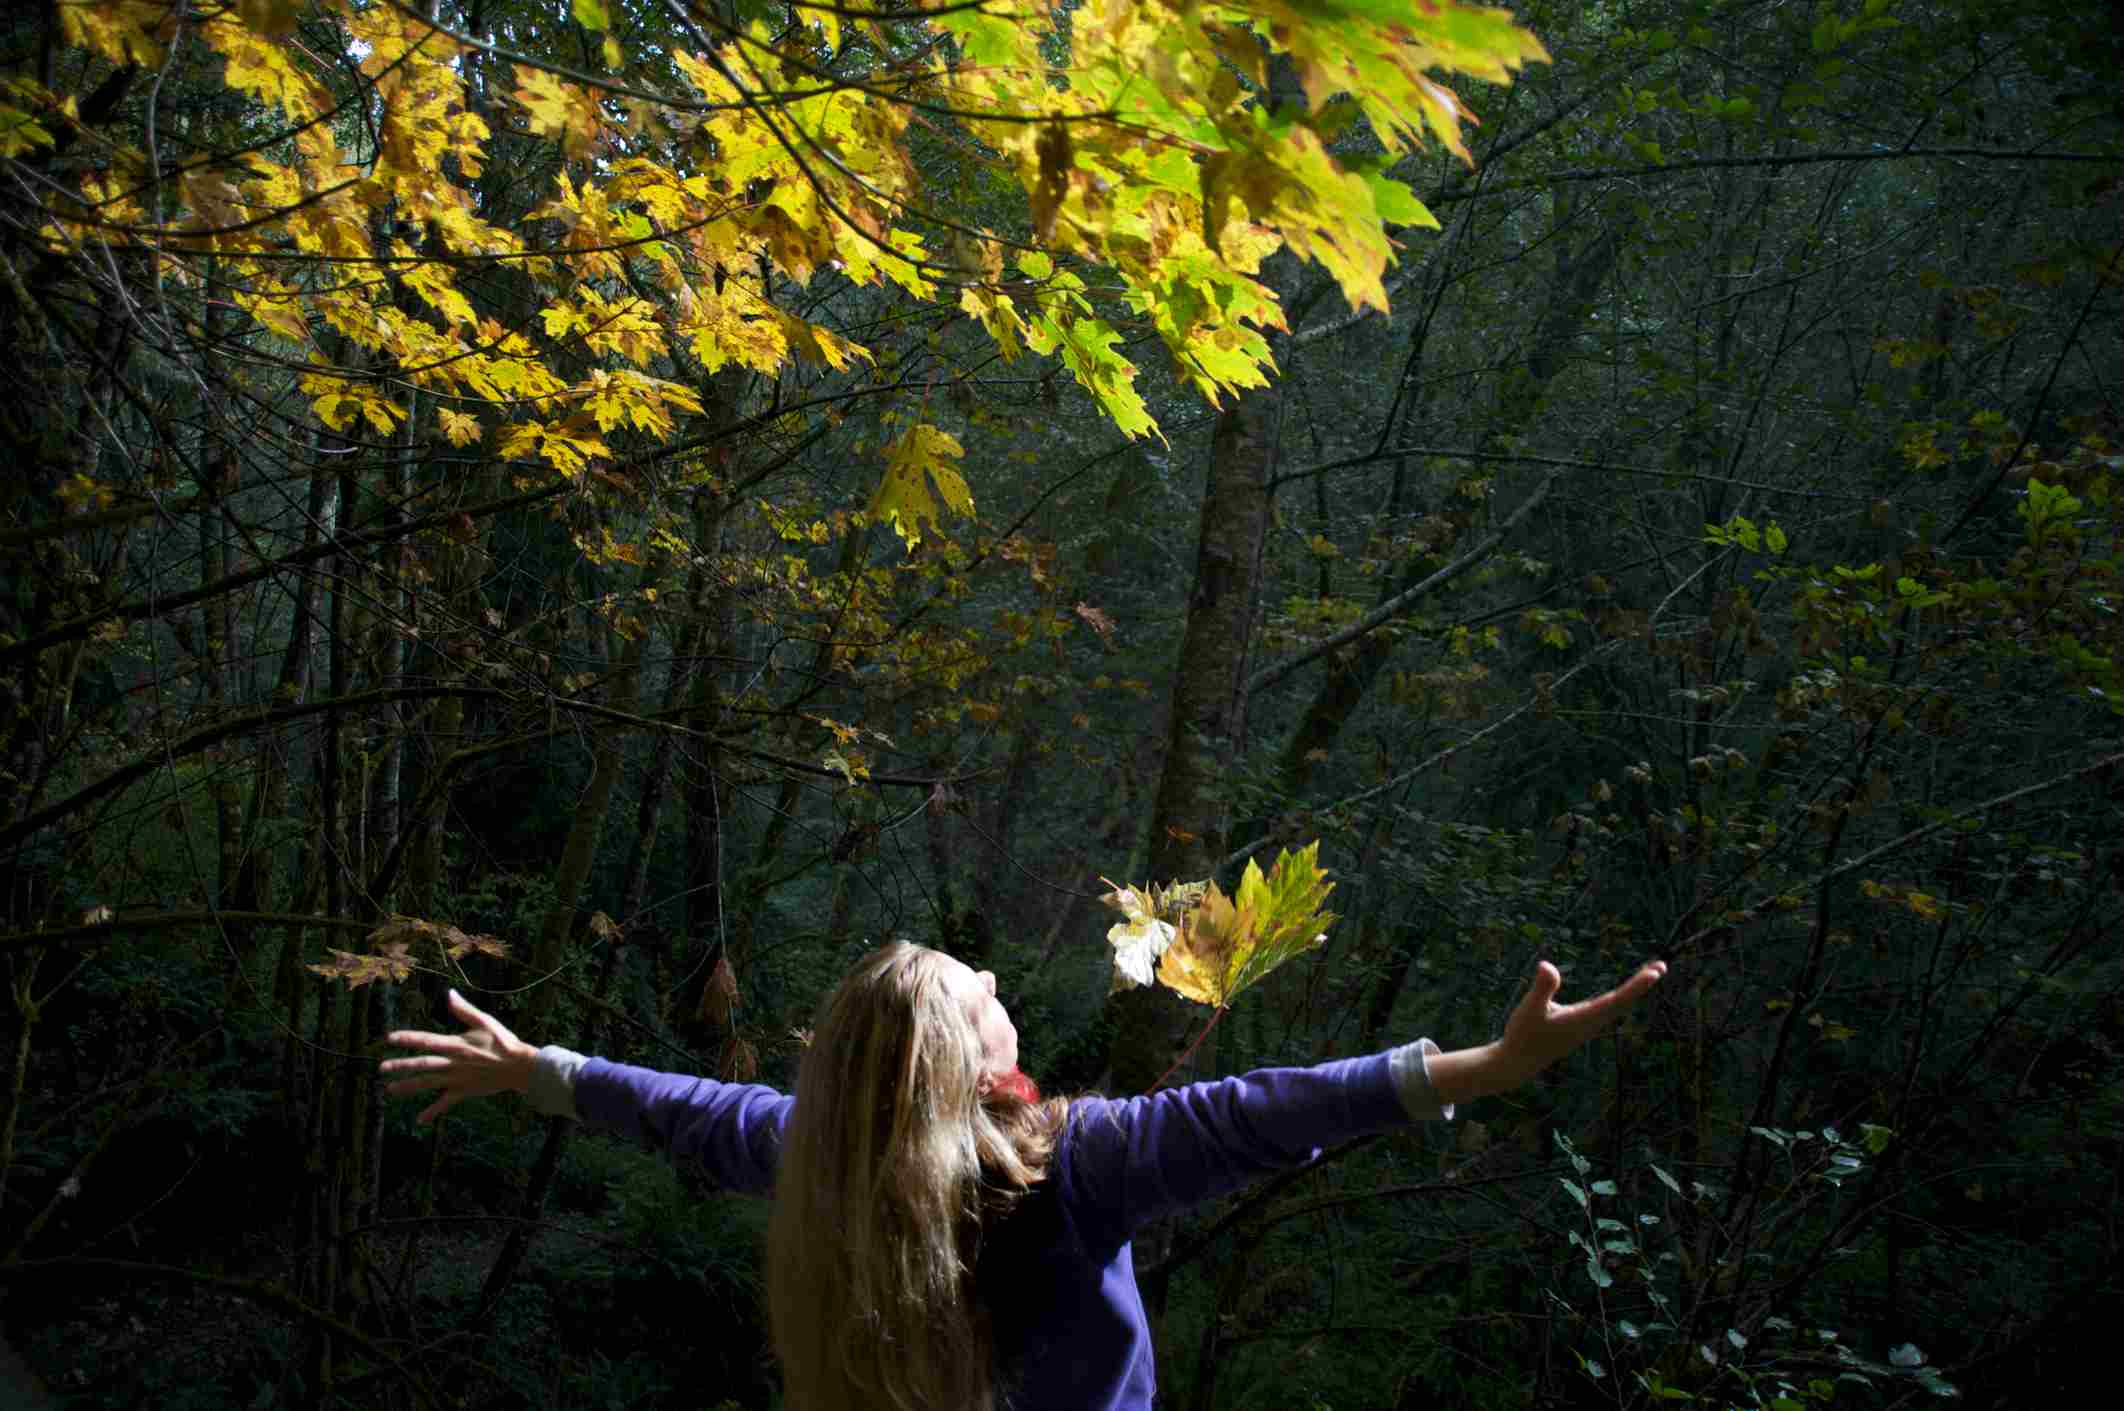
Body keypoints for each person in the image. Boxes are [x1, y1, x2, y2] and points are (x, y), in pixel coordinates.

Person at [381, 943, 1665, 1411]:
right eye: (980, 996)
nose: (1001, 991)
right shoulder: (1071, 1161)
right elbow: (1257, 1115)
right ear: (959, 1060)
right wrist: (1483, 1066)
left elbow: (686, 1113)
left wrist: (540, 1067)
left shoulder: (821, 1155)